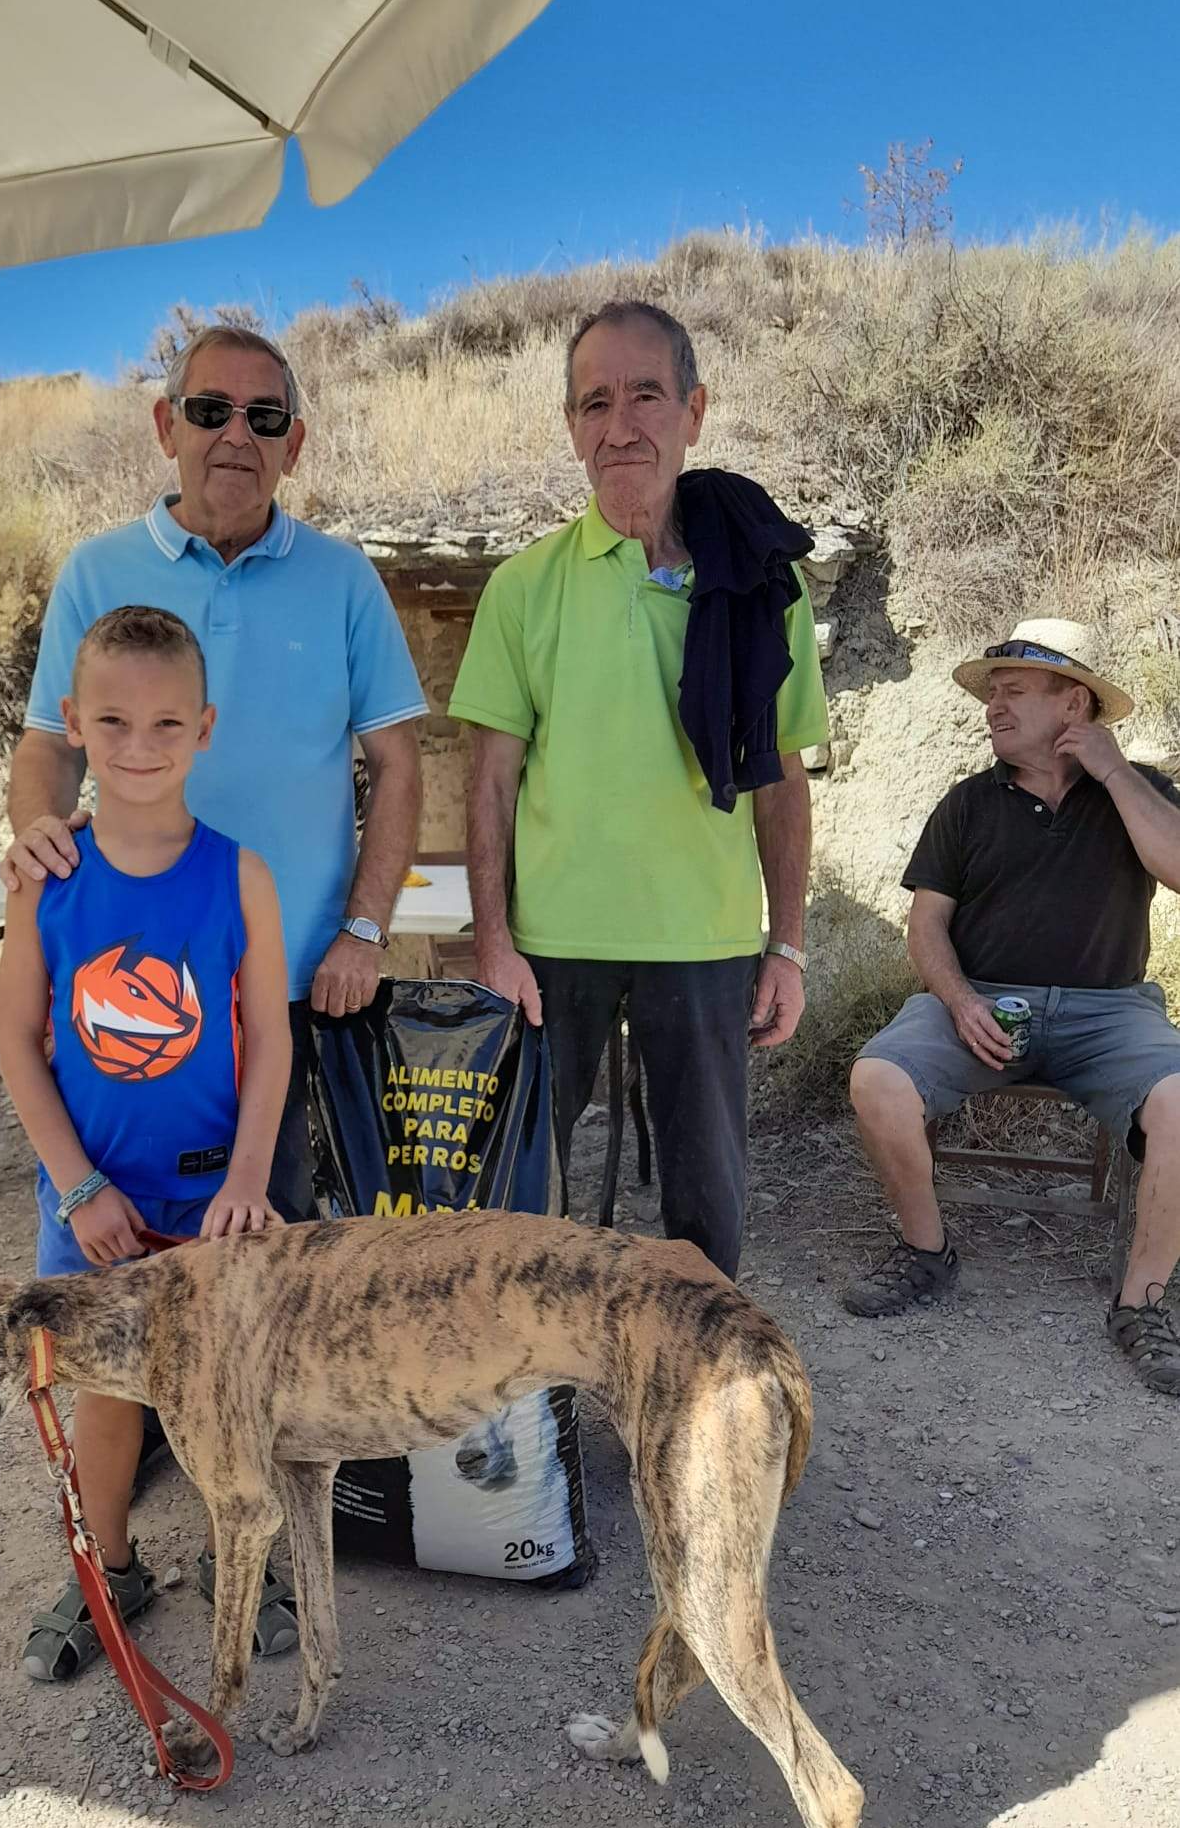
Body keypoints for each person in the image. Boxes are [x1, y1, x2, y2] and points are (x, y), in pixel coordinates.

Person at [0, 323, 426, 1229]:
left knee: (272, 1250)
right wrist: (38, 828)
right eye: (211, 410)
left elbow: (397, 764)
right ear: (167, 427)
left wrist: (363, 931)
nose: (238, 434)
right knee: (119, 1255)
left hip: (299, 988)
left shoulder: (345, 579)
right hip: (129, 971)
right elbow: (48, 746)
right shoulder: (94, 573)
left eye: (265, 417)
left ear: (293, 445)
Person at [448, 300, 828, 1278]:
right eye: (595, 402)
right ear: (572, 425)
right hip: (551, 945)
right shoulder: (523, 588)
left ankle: (699, 1372)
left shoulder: (762, 586)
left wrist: (786, 943)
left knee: (706, 1212)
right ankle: (531, 1377)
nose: (619, 426)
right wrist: (493, 941)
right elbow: (489, 780)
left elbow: (784, 779)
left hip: (705, 940)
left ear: (694, 411)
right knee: (518, 1196)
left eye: (646, 395)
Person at [0, 608, 295, 1680]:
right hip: (93, 1205)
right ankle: (105, 1569)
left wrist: (249, 1176)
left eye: (167, 722)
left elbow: (269, 1039)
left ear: (203, 728)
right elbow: (17, 1044)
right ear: (73, 722)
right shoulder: (47, 880)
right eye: (113, 720)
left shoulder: (240, 876)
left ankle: (237, 1562)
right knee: (108, 1395)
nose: (139, 744)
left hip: (213, 1204)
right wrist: (78, 1188)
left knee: (226, 1392)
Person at [846, 617, 1180, 1395]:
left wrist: (1114, 771)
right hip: (982, 1004)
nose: (993, 707)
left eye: (1015, 692)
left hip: (1110, 1013)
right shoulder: (967, 804)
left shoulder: (1138, 792)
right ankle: (927, 1254)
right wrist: (960, 1000)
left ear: (1074, 704)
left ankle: (1142, 1304)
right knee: (877, 1080)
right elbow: (926, 926)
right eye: (991, 693)